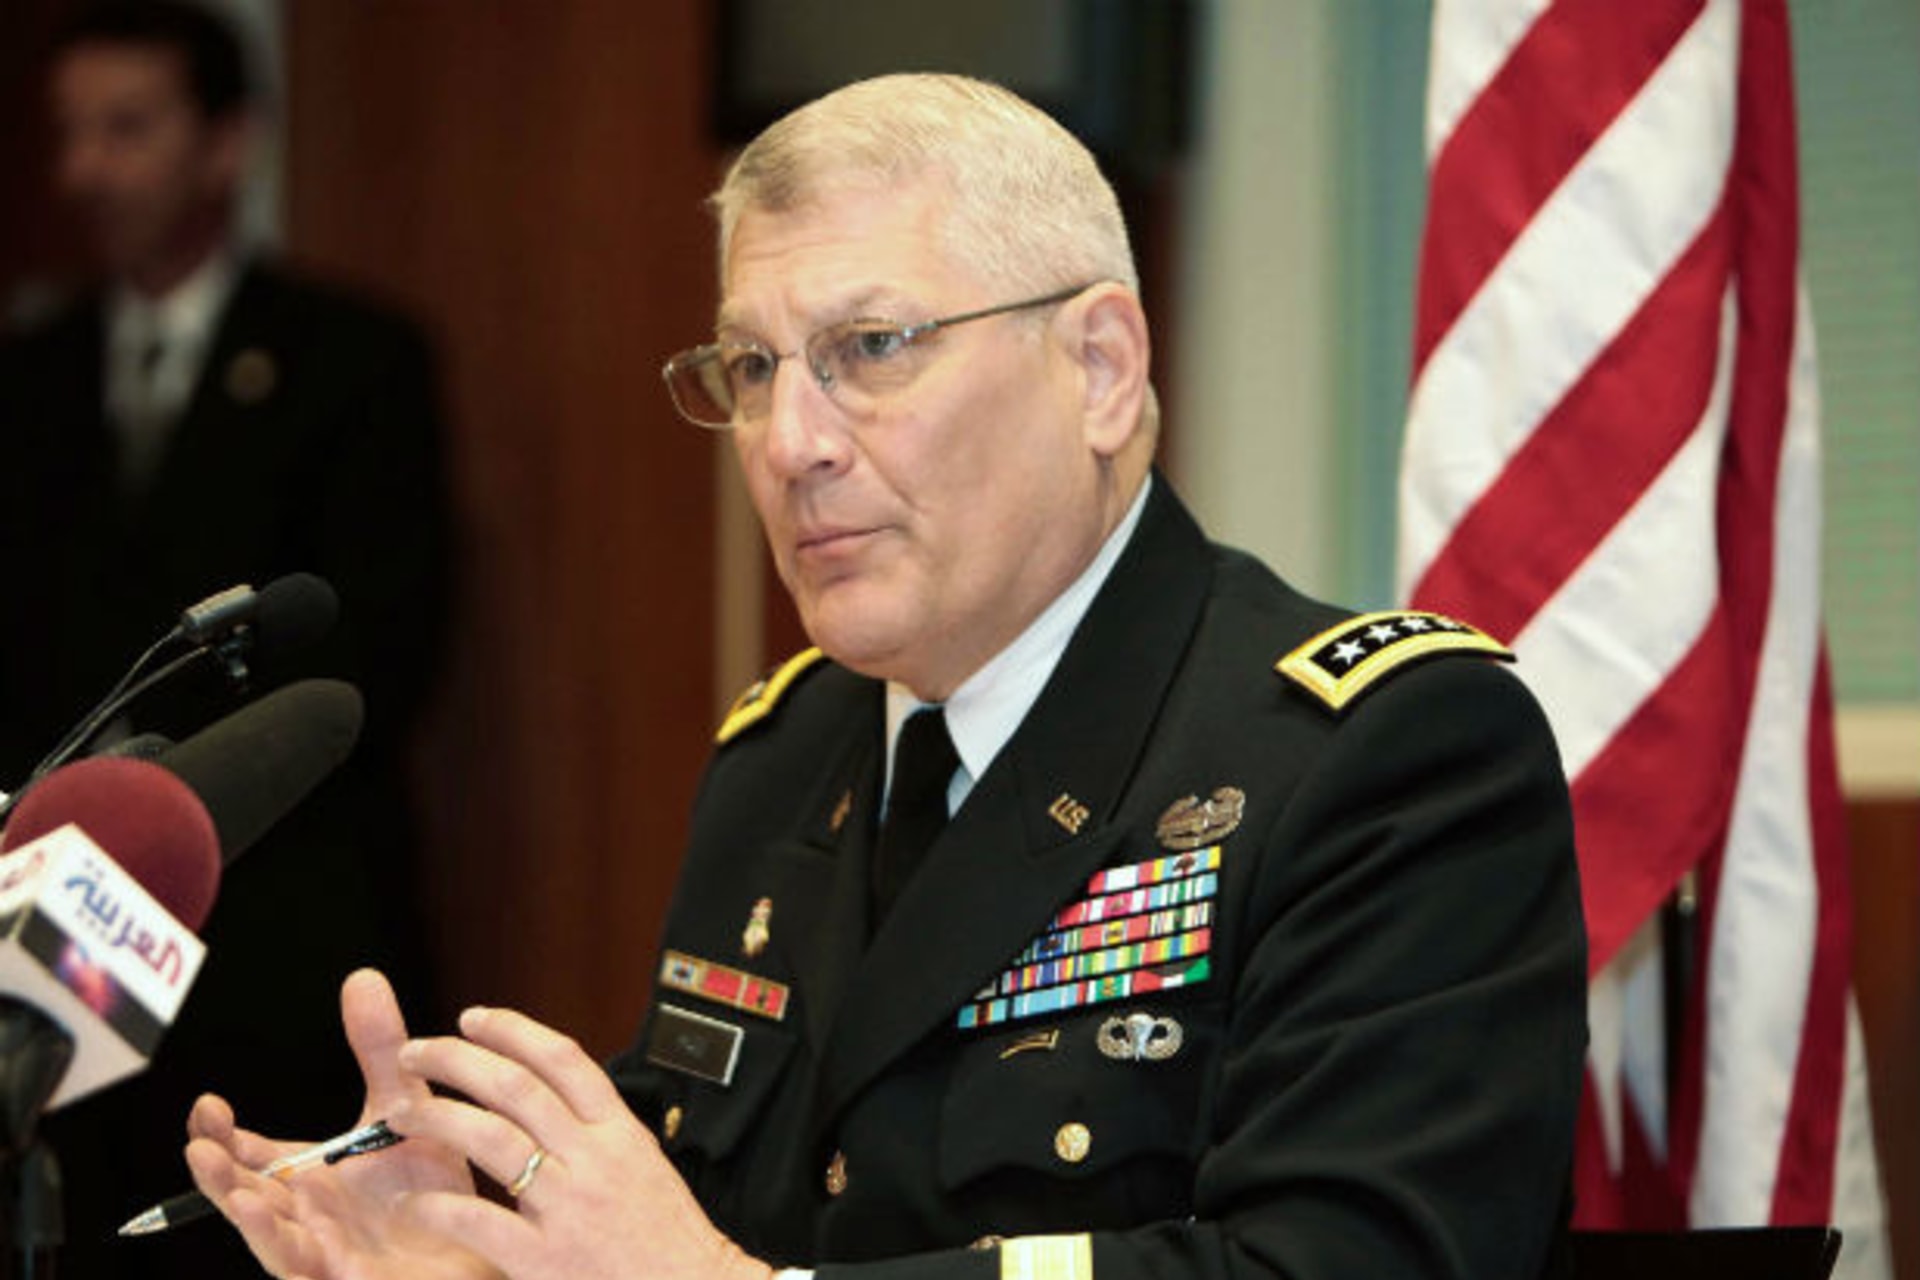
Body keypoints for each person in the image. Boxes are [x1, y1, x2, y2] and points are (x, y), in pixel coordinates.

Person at [182, 73, 1584, 1280]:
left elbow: (1343, 1262)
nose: (792, 440)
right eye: (752, 366)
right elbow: (696, 1204)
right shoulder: (785, 756)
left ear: (1101, 367)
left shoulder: (1380, 755)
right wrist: (481, 1248)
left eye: (871, 349)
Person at [0, 2, 451, 1274]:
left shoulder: (353, 360)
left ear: (226, 142)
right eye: (71, 133)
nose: (85, 168)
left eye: (127, 128)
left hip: (278, 940)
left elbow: (383, 649)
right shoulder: (25, 374)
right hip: (64, 959)